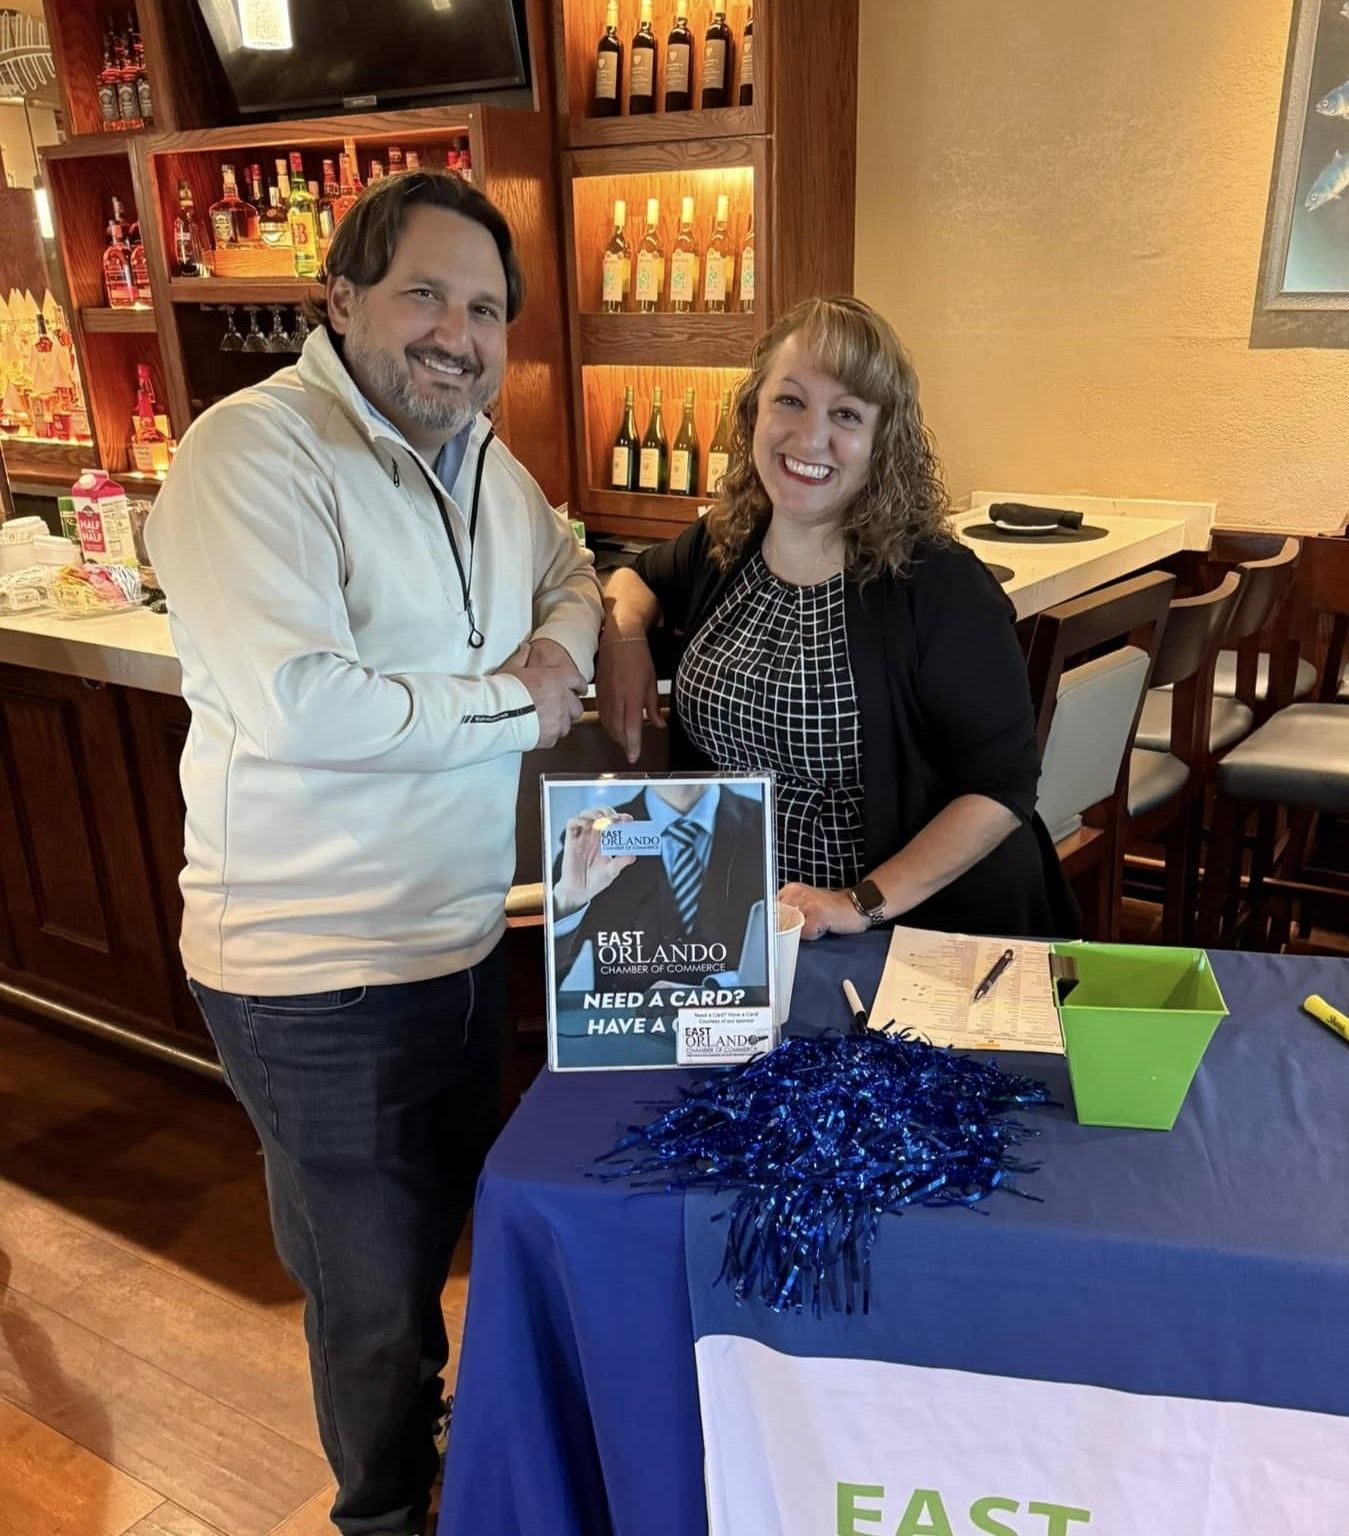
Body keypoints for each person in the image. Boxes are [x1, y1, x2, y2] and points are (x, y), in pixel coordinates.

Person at [146, 171, 600, 1536]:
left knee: (426, 1258)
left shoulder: (488, 467)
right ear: (340, 301)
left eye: (483, 307)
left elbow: (572, 571)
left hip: (454, 943)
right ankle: (385, 1516)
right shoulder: (252, 454)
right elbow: (305, 706)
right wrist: (522, 701)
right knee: (370, 1295)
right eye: (424, 294)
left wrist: (568, 647)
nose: (456, 333)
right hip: (313, 973)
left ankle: (425, 1445)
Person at [597, 295, 1076, 942]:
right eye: (789, 401)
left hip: (903, 938)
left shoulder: (938, 584)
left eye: (846, 414)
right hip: (737, 932)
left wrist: (857, 903)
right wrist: (624, 637)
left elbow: (1000, 792)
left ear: (882, 442)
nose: (810, 437)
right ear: (753, 411)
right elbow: (636, 578)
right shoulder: (729, 540)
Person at [547, 780, 772, 1066]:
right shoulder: (595, 839)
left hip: (743, 1049)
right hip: (627, 1052)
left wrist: (717, 990)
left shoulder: (766, 823)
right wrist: (568, 898)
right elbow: (543, 988)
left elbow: (786, 964)